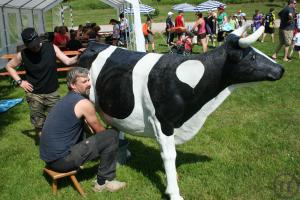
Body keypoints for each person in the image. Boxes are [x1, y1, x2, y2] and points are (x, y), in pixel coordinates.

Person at [40, 67, 126, 192]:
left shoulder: (66, 99)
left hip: (49, 158)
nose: (89, 84)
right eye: (84, 82)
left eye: (88, 80)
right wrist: (110, 133)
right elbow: (100, 131)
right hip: (62, 162)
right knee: (111, 135)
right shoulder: (84, 104)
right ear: (73, 85)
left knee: (105, 137)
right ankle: (104, 181)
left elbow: (85, 127)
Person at [5, 27, 80, 138]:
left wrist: (80, 56)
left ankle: (57, 143)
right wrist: (20, 82)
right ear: (26, 44)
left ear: (38, 39)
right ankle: (44, 146)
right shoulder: (23, 54)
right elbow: (9, 66)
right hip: (34, 95)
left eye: (36, 44)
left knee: (57, 122)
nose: (35, 48)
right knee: (38, 125)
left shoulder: (51, 47)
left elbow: (68, 61)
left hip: (52, 93)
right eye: (31, 46)